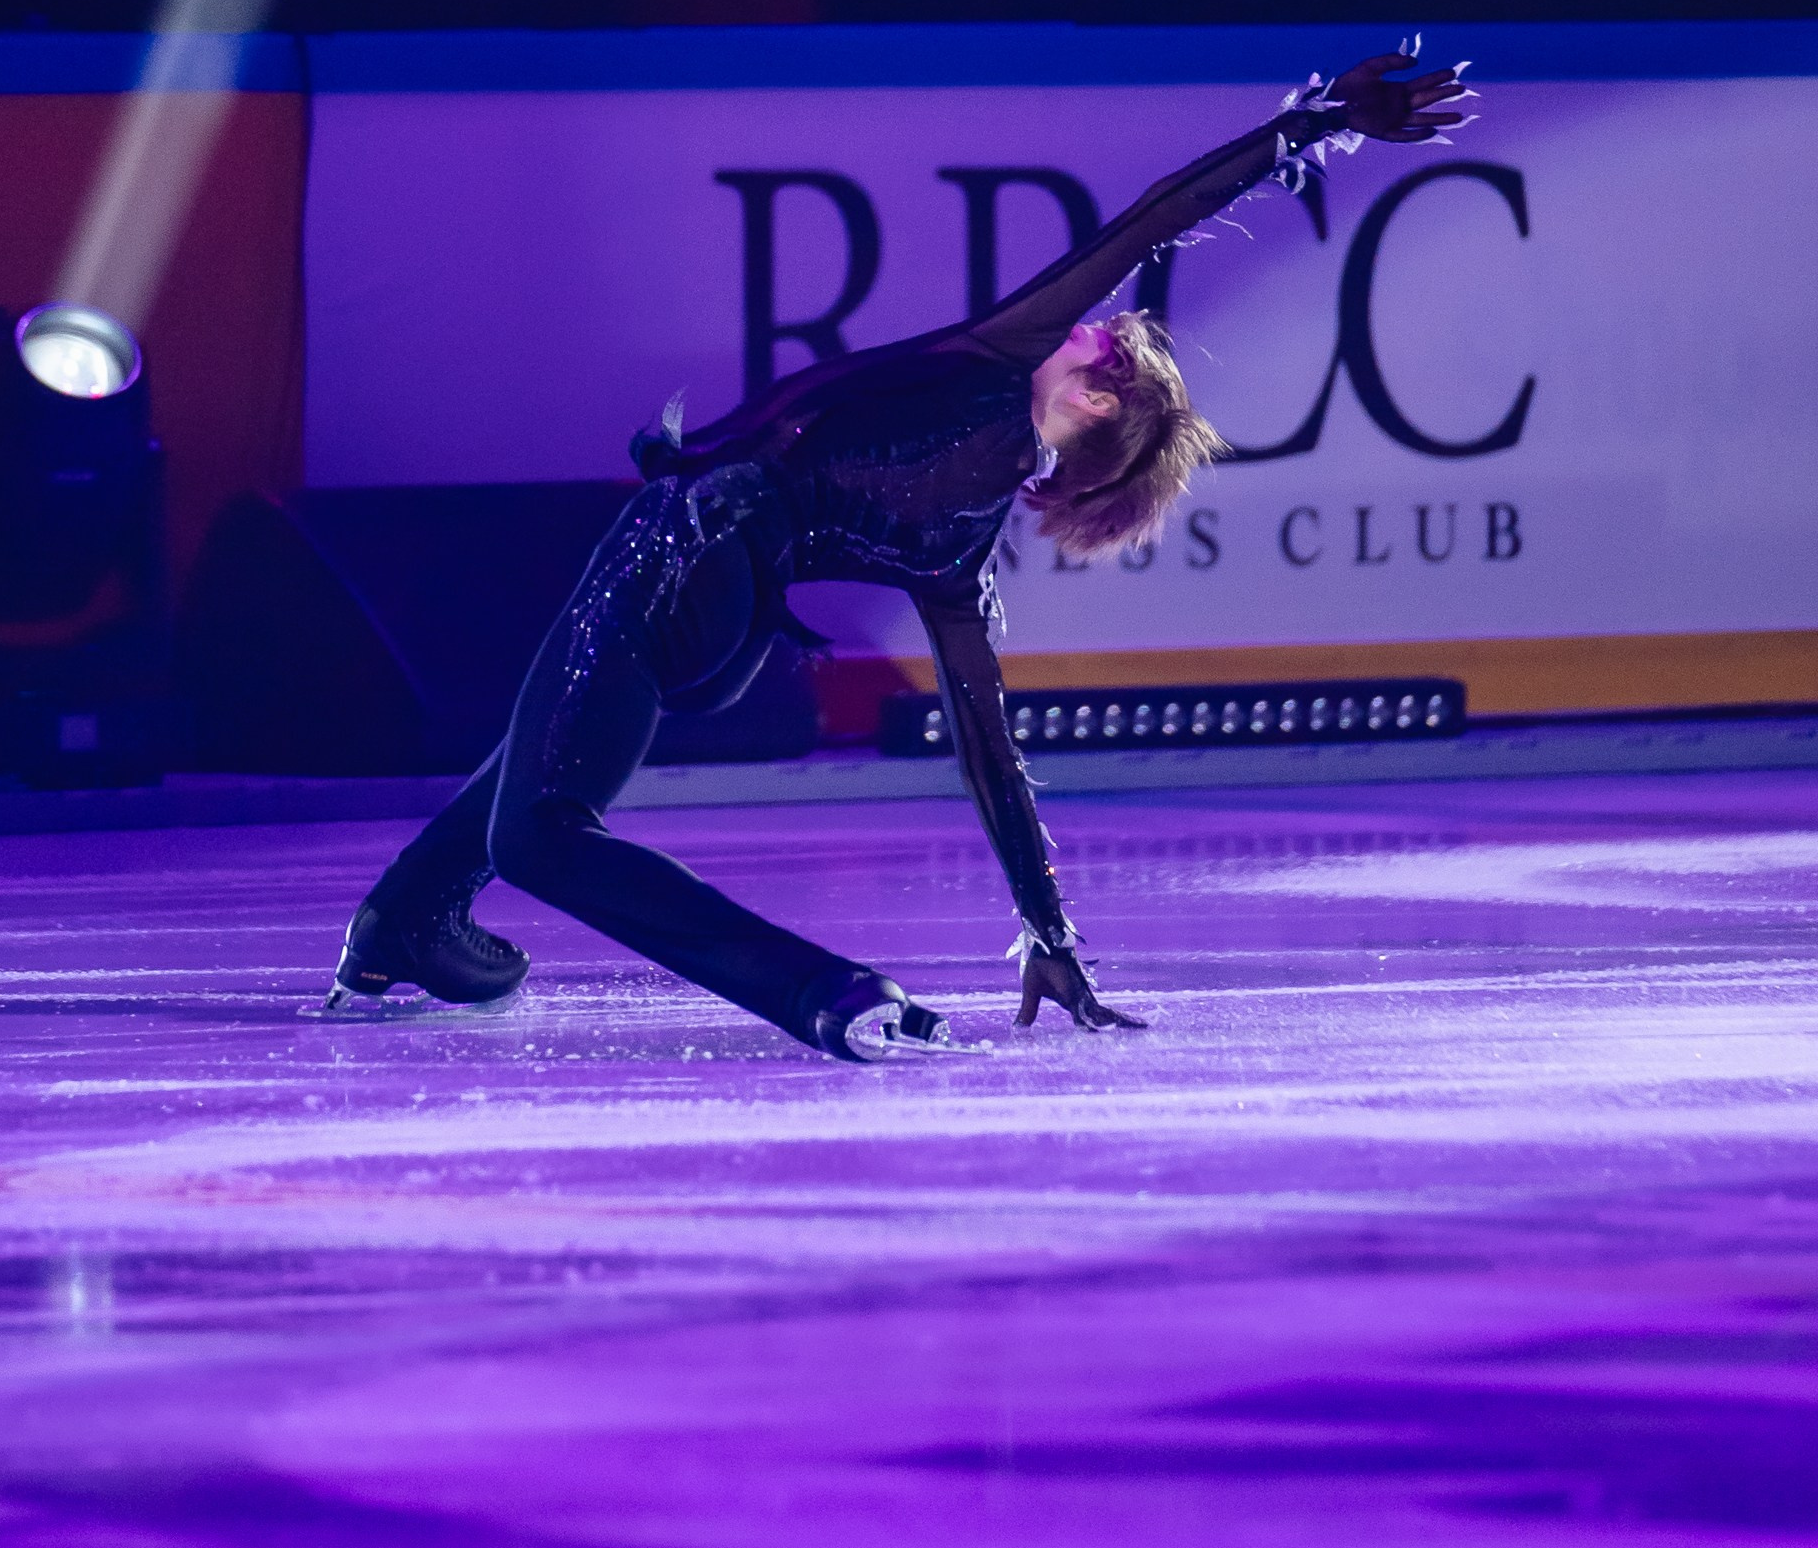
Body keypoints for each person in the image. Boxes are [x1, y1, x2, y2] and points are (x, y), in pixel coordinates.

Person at [327, 52, 1471, 1058]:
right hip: (724, 629)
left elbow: (1152, 219)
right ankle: (406, 925)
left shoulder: (1004, 353)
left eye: (1098, 338)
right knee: (547, 763)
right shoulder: (959, 560)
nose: (1086, 322)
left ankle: (818, 990)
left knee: (540, 837)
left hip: (689, 547)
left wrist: (1318, 121)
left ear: (1091, 387)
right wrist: (1048, 933)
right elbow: (990, 760)